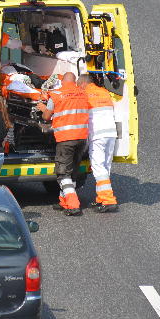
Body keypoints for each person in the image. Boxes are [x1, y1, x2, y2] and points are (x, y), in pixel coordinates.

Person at [37, 72, 90, 216]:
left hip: (66, 139)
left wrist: (43, 109)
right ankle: (64, 201)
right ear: (75, 81)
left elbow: (46, 117)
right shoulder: (83, 93)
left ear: (62, 82)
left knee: (62, 173)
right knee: (72, 171)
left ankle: (73, 204)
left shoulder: (56, 94)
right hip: (82, 138)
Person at [77, 74, 118, 213]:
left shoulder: (84, 94)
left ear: (82, 84)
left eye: (78, 85)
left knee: (98, 167)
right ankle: (102, 197)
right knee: (106, 165)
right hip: (111, 133)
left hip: (98, 135)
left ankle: (108, 200)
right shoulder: (104, 92)